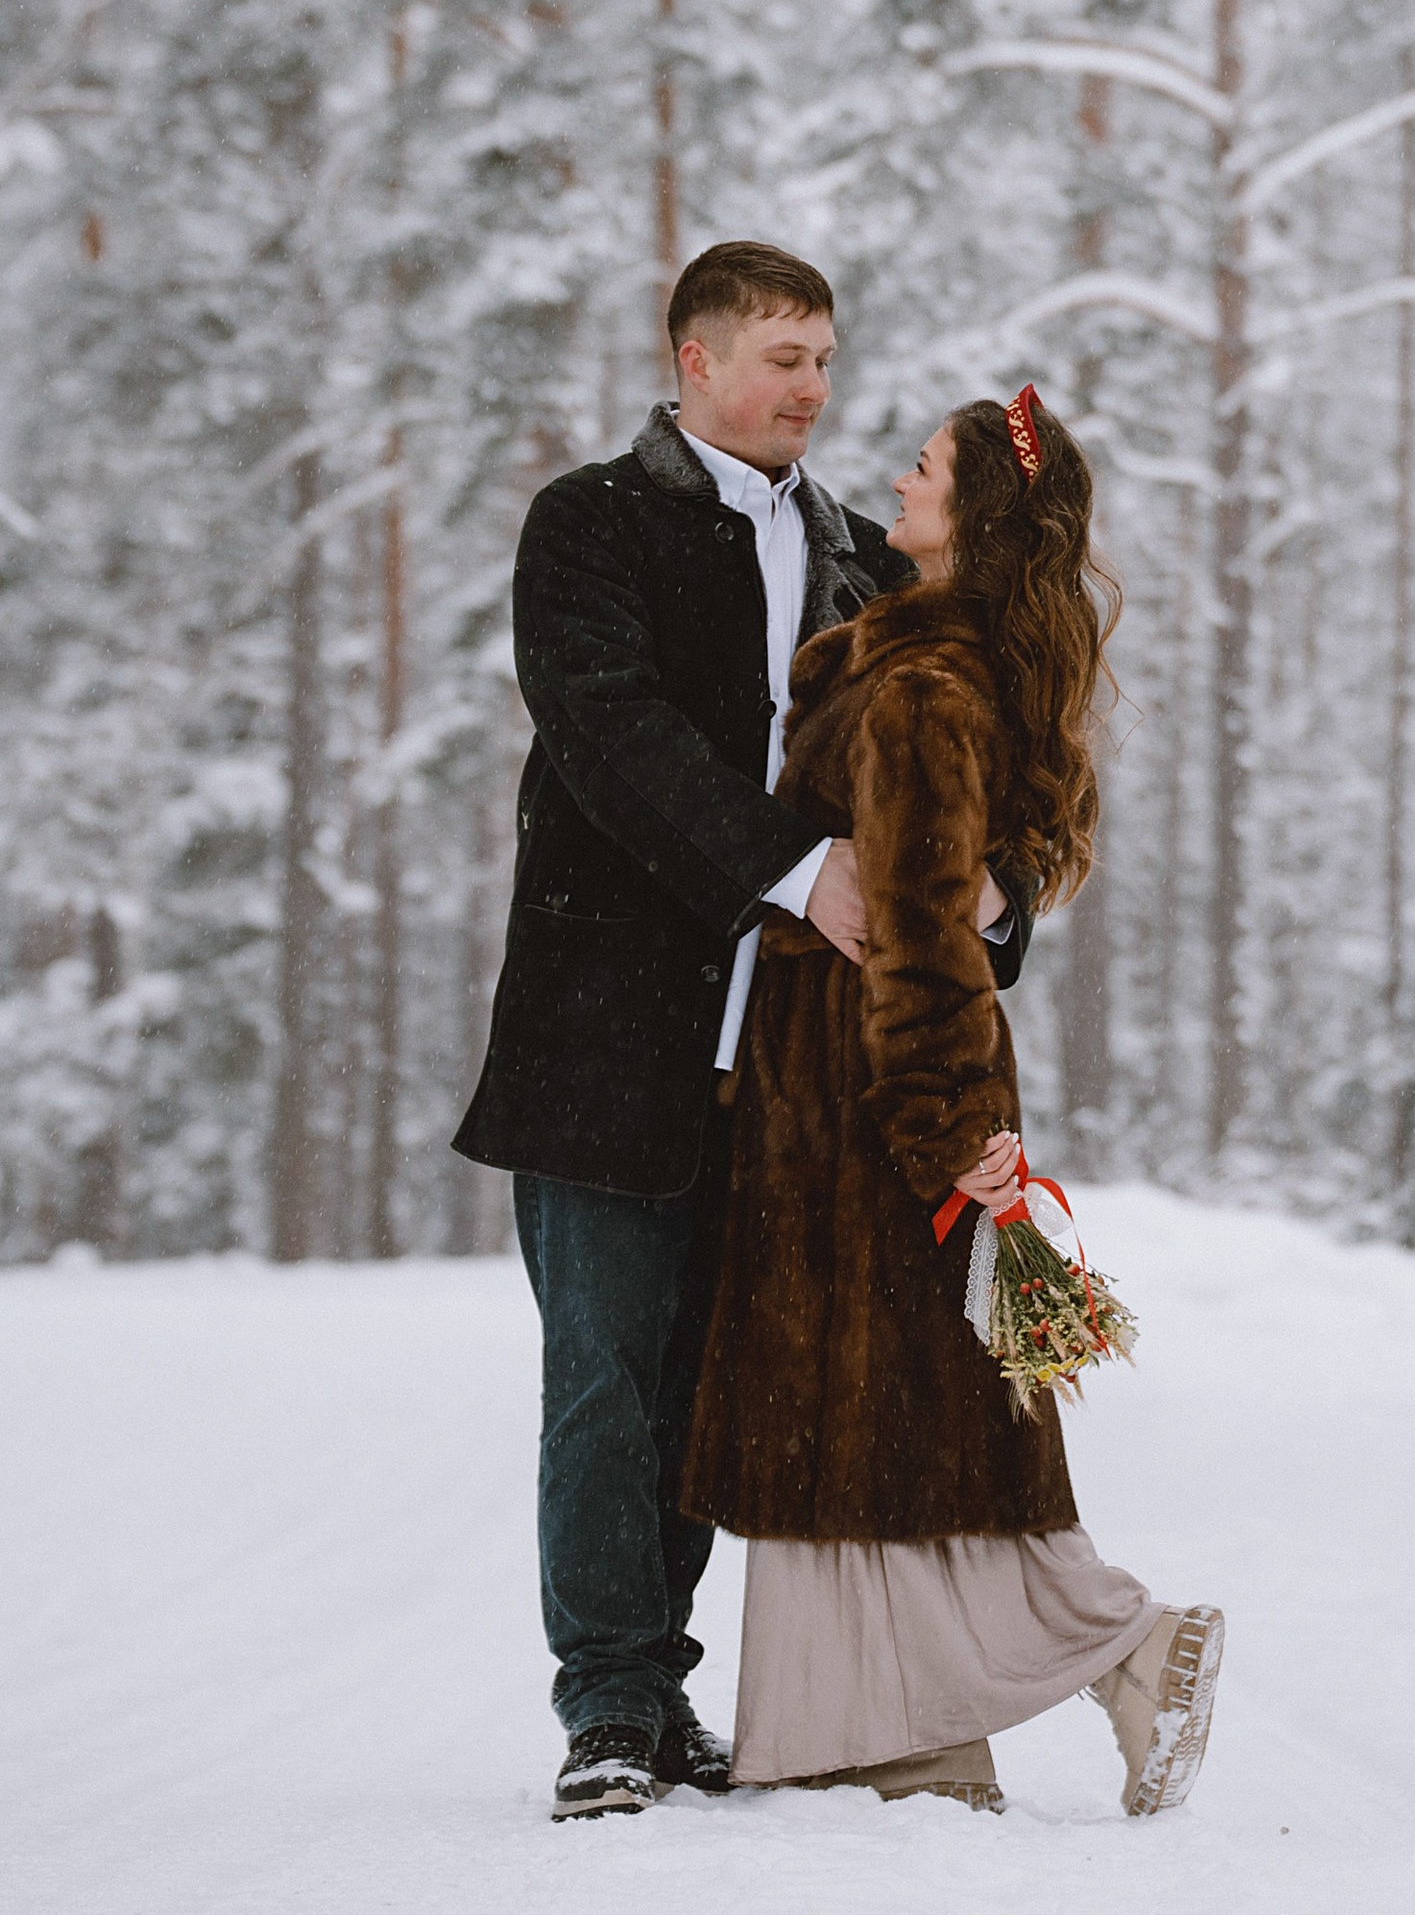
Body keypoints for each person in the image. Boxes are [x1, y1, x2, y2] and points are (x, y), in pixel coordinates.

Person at [451, 242, 1030, 1823]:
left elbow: (954, 746)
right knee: (605, 1378)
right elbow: (608, 730)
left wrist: (992, 896)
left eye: (828, 357)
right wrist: (797, 867)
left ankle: (668, 1681)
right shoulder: (592, 524)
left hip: (791, 1071)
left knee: (715, 1385)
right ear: (694, 356)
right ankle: (614, 1704)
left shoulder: (857, 553)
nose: (813, 387)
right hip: (602, 1042)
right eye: (782, 354)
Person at [681, 387, 1222, 1818]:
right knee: (884, 1425)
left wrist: (937, 1125)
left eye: (923, 468)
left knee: (893, 1416)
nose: (896, 479)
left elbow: (923, 925)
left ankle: (1120, 1643)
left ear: (971, 516)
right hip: (841, 1082)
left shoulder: (922, 686)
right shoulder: (931, 654)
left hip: (867, 1096)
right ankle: (913, 1729)